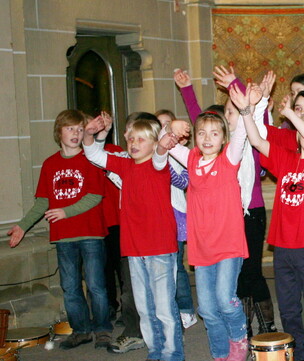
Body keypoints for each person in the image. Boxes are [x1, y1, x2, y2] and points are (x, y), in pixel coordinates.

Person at [238, 84, 304, 361]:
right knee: (287, 308)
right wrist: (246, 112)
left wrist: (289, 112)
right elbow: (257, 141)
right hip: (282, 248)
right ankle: (296, 353)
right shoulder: (287, 160)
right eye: (303, 129)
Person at [176, 66, 279, 335]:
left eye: (234, 110)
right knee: (233, 277)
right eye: (228, 111)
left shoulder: (247, 142)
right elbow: (200, 121)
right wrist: (187, 90)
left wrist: (249, 97)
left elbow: (256, 118)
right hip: (225, 216)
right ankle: (241, 324)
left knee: (252, 271)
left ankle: (267, 326)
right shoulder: (220, 147)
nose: (230, 114)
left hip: (250, 212)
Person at [7, 110, 112, 350]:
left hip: (90, 232)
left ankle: (103, 328)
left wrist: (66, 211)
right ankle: (81, 330)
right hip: (64, 235)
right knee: (70, 286)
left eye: (79, 129)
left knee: (96, 285)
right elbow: (43, 202)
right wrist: (23, 226)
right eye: (70, 129)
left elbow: (95, 196)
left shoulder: (92, 158)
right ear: (59, 132)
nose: (75, 134)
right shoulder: (50, 164)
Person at [83, 114, 184, 361]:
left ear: (153, 142)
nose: (134, 143)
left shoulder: (159, 165)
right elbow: (94, 155)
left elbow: (160, 156)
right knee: (144, 308)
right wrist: (91, 134)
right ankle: (156, 350)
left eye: (141, 139)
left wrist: (164, 143)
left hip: (160, 248)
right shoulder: (125, 165)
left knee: (163, 307)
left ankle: (172, 353)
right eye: (130, 139)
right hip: (134, 249)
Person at [163, 88, 253, 360]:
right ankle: (220, 353)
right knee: (208, 309)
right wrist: (169, 126)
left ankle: (239, 337)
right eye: (201, 133)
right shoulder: (190, 160)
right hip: (202, 248)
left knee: (226, 301)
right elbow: (162, 137)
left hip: (228, 244)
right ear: (194, 138)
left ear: (223, 138)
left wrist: (246, 109)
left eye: (215, 133)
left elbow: (243, 133)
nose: (207, 138)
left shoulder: (229, 160)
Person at [155, 109, 198, 329]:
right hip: (156, 216)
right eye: (161, 126)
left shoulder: (182, 154)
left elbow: (183, 181)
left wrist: (164, 166)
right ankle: (165, 311)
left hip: (176, 212)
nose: (165, 130)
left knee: (177, 266)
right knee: (160, 268)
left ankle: (186, 310)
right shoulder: (152, 153)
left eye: (169, 125)